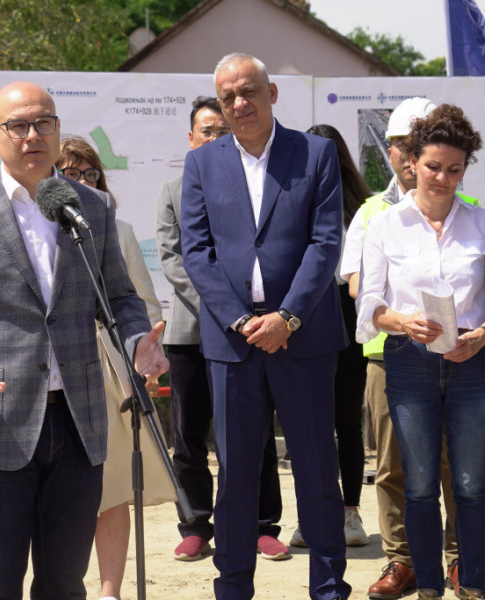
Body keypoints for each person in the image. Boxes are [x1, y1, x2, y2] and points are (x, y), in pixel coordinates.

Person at [0, 81, 167, 600]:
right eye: (18, 126)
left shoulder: (91, 207)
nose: (32, 135)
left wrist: (138, 338)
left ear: (57, 129)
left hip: (78, 421)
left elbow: (119, 298)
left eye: (43, 122)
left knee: (65, 585)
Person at [179, 53, 351, 600]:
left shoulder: (315, 153)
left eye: (249, 91)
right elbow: (196, 252)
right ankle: (232, 587)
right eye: (228, 96)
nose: (239, 103)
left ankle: (329, 587)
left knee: (317, 471)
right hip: (233, 344)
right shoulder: (201, 164)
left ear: (271, 93)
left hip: (304, 339)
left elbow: (326, 242)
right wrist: (240, 319)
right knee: (235, 476)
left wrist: (287, 317)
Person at [339, 97, 467, 599]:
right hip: (388, 355)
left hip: (460, 358)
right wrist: (402, 311)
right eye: (400, 143)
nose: (411, 155)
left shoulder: (467, 208)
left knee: (457, 465)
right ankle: (402, 560)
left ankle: (458, 560)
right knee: (396, 468)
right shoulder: (373, 211)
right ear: (396, 152)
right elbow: (356, 284)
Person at [155, 96, 288, 563]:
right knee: (189, 435)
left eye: (221, 131)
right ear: (190, 139)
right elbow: (173, 259)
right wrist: (225, 310)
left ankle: (262, 524)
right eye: (206, 131)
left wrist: (243, 317)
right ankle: (195, 524)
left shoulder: (252, 187)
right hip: (192, 331)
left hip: (250, 331)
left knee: (255, 432)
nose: (214, 138)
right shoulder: (172, 189)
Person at [55, 135, 173, 600]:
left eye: (90, 174)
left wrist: (142, 352)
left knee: (114, 487)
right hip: (51, 372)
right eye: (71, 173)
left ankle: (110, 593)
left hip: (108, 372)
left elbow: (142, 303)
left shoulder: (117, 230)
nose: (83, 182)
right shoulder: (31, 229)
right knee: (61, 492)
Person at [288, 124, 370, 548]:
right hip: (304, 312)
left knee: (346, 421)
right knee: (308, 422)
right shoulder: (290, 200)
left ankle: (350, 512)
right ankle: (312, 514)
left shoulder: (362, 209)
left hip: (348, 309)